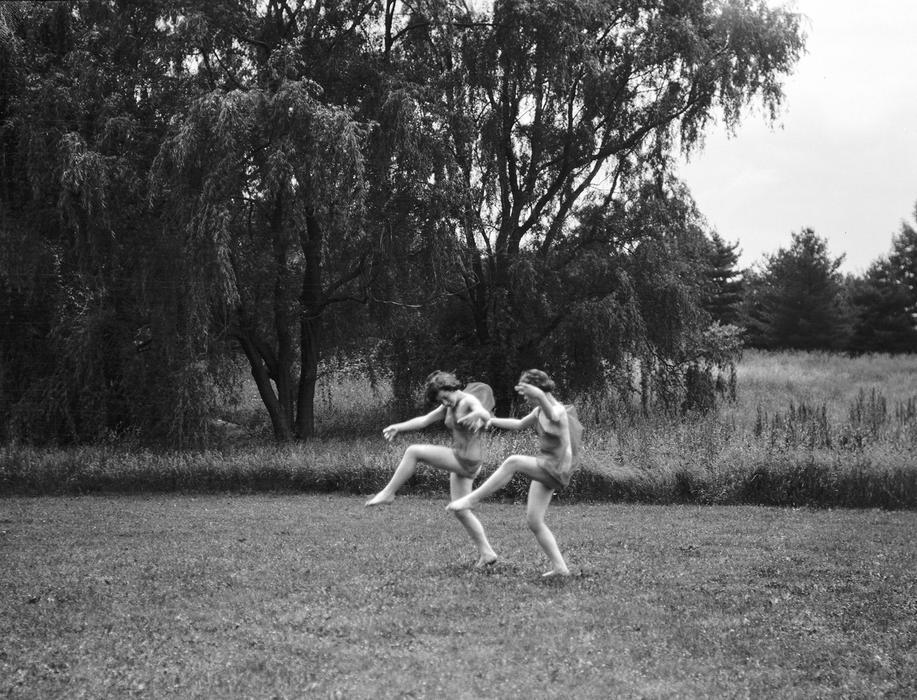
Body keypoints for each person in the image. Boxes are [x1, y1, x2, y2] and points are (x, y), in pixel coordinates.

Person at [447, 369, 582, 578]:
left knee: (513, 461)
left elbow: (554, 414)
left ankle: (471, 500)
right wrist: (492, 420)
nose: (526, 398)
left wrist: (537, 394)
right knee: (534, 521)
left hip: (556, 468)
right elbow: (518, 424)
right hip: (547, 467)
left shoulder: (557, 410)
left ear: (538, 390)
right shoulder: (538, 412)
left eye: (527, 394)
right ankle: (560, 568)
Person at [365, 370, 499, 568]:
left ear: (451, 387)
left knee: (413, 451)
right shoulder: (448, 406)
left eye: (445, 397)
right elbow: (424, 420)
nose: (445, 402)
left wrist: (480, 413)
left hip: (466, 459)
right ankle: (487, 553)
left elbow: (484, 413)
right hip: (463, 461)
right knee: (461, 510)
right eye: (441, 400)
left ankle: (388, 493)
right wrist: (399, 427)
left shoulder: (468, 400)